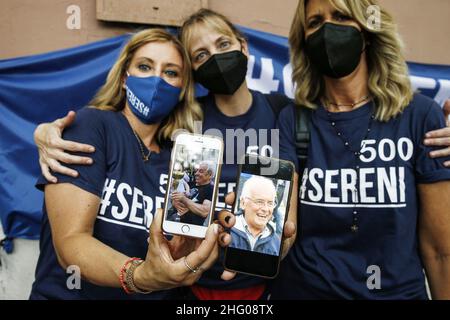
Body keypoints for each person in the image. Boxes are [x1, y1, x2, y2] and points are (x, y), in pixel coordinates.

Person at [32, 7, 449, 300]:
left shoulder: (288, 115)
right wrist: (46, 133)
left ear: (245, 47)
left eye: (223, 44)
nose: (216, 58)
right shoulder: (184, 129)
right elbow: (130, 144)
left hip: (264, 287)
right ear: (194, 75)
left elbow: (336, 157)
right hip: (188, 289)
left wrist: (281, 234)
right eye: (200, 55)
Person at [269, 0, 450, 299]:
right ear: (304, 41)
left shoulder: (419, 116)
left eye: (341, 16)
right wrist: (262, 229)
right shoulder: (293, 119)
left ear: (367, 31)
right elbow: (282, 223)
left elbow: (442, 251)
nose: (327, 29)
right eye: (314, 23)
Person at [29, 29, 227, 300]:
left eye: (171, 73)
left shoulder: (180, 159)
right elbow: (70, 245)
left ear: (182, 90)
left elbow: (171, 254)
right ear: (125, 78)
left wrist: (189, 253)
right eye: (145, 66)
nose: (157, 79)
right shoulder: (91, 126)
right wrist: (139, 275)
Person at [230, 176, 280, 255]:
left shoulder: (276, 242)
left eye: (270, 203)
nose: (266, 209)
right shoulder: (227, 231)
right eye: (259, 202)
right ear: (243, 203)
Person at [171, 161, 215, 226]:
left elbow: (204, 211)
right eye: (196, 171)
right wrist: (175, 203)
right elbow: (173, 198)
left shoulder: (211, 189)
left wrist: (184, 200)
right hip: (174, 223)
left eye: (201, 171)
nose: (196, 173)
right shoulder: (190, 184)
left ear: (210, 174)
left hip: (193, 229)